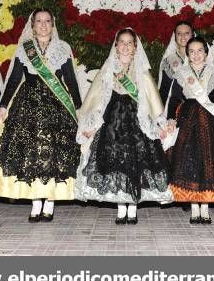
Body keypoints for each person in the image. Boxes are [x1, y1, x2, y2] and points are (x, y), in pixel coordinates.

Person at [0, 10, 82, 222]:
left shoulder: (63, 48)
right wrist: (3, 105)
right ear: (32, 25)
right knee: (31, 151)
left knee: (53, 151)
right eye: (39, 21)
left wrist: (78, 107)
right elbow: (13, 79)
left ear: (53, 24)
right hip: (28, 103)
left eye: (47, 21)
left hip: (56, 105)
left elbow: (71, 80)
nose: (43, 25)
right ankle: (35, 201)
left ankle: (49, 202)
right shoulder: (24, 48)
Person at [74, 28, 172, 224]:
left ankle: (133, 206)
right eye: (122, 42)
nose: (126, 46)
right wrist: (92, 125)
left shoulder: (142, 73)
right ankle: (120, 206)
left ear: (135, 47)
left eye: (130, 43)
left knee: (135, 162)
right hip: (113, 123)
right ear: (116, 46)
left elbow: (153, 104)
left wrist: (160, 125)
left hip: (137, 123)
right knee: (115, 161)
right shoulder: (108, 69)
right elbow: (98, 100)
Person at [166, 36, 214, 224]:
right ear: (187, 55)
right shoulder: (181, 74)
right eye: (191, 52)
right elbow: (174, 99)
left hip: (210, 120)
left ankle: (205, 205)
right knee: (190, 160)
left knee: (208, 160)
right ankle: (194, 205)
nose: (196, 55)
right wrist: (171, 119)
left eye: (199, 51)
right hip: (188, 120)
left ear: (206, 52)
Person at [158, 21, 194, 108]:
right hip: (174, 109)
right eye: (179, 34)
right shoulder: (169, 61)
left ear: (192, 35)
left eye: (186, 33)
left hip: (198, 108)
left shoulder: (201, 58)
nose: (183, 37)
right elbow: (164, 90)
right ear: (175, 37)